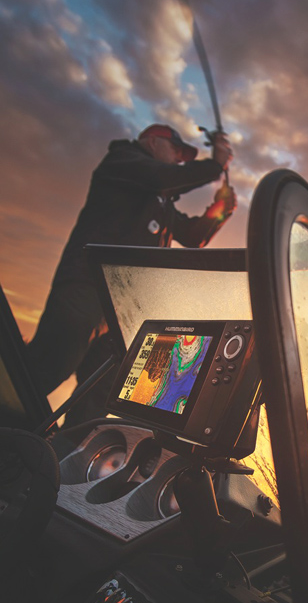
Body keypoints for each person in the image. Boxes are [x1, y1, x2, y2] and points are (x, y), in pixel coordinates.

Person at [27, 123, 236, 426]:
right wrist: (215, 165)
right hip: (87, 285)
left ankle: (65, 464)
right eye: (176, 150)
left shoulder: (159, 200)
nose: (180, 159)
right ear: (152, 142)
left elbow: (192, 236)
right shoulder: (122, 161)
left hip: (120, 309)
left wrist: (221, 209)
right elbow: (163, 177)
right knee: (49, 365)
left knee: (96, 394)